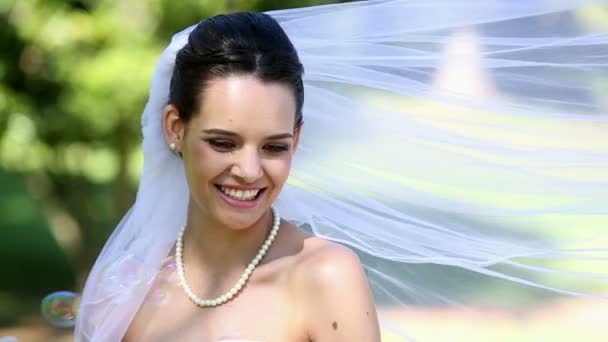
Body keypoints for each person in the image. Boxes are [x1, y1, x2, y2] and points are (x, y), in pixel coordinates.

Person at [77, 1, 608, 341]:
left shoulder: (325, 277)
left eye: (275, 146)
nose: (249, 170)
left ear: (298, 140)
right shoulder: (124, 290)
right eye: (223, 141)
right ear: (175, 127)